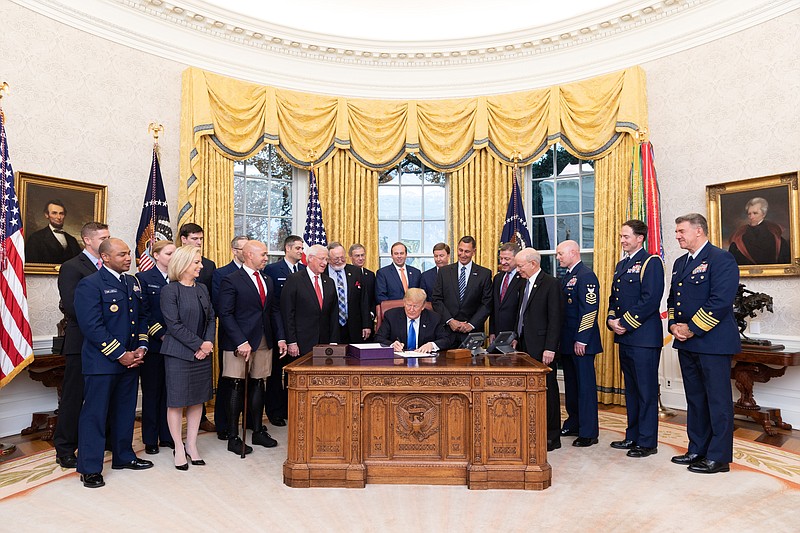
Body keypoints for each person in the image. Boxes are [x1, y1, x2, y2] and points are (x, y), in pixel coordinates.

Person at [74, 238, 152, 488]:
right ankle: (90, 468)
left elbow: (141, 317)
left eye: (129, 253)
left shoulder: (132, 282)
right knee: (95, 416)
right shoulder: (90, 284)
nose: (129, 258)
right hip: (102, 363)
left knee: (125, 412)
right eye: (122, 255)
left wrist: (141, 347)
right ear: (105, 258)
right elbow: (91, 326)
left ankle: (124, 456)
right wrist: (120, 354)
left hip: (130, 361)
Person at [668, 213, 740, 474]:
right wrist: (674, 325)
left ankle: (718, 457)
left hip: (713, 343)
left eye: (681, 231)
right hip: (686, 343)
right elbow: (673, 300)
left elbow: (720, 301)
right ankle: (697, 448)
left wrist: (692, 328)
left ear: (699, 231)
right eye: (677, 231)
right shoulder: (680, 263)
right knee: (695, 399)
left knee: (717, 401)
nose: (677, 235)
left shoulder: (721, 259)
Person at [53, 222, 110, 469]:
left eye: (110, 237)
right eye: (103, 238)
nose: (108, 242)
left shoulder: (109, 266)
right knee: (73, 397)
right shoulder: (72, 267)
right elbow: (73, 306)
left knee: (102, 396)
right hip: (81, 342)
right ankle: (65, 448)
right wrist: (102, 326)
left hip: (108, 342)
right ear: (87, 240)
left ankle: (100, 440)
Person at [607, 220, 665, 458]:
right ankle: (632, 435)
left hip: (643, 338)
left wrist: (625, 322)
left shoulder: (651, 262)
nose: (622, 240)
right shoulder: (622, 265)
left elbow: (651, 299)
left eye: (626, 236)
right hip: (625, 338)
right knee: (630, 390)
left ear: (640, 238)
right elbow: (614, 298)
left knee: (645, 391)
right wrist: (612, 319)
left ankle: (647, 441)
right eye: (621, 236)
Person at [218, 240, 281, 454]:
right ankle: (234, 437)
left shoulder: (268, 280)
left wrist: (280, 338)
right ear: (248, 255)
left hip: (264, 340)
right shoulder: (231, 280)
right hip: (240, 343)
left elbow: (273, 311)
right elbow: (225, 314)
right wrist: (240, 341)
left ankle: (257, 430)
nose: (266, 258)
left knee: (258, 384)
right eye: (262, 254)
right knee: (237, 386)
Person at [160, 245, 217, 469]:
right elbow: (173, 325)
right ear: (183, 264)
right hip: (178, 354)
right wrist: (199, 344)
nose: (201, 266)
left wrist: (208, 344)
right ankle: (178, 447)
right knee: (176, 402)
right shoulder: (170, 290)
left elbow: (212, 317)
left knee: (197, 400)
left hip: (202, 354)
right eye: (196, 262)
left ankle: (192, 445)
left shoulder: (202, 287)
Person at [514, 247, 562, 451]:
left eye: (520, 265)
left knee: (547, 390)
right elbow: (522, 314)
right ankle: (533, 429)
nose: (518, 270)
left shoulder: (551, 284)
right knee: (529, 390)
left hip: (543, 347)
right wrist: (516, 337)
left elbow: (555, 319)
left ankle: (552, 435)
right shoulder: (523, 283)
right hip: (524, 344)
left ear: (533, 264)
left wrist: (550, 348)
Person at [556, 240, 602, 448]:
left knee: (585, 388)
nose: (558, 257)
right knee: (572, 388)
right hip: (568, 342)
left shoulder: (586, 276)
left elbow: (589, 310)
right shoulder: (569, 276)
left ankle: (589, 431)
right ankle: (574, 422)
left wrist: (582, 338)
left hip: (581, 342)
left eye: (560, 254)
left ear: (573, 252)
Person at [135, 240, 176, 455]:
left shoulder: (180, 278)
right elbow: (144, 313)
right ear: (156, 255)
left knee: (170, 393)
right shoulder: (143, 279)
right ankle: (150, 438)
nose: (173, 257)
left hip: (177, 346)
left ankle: (167, 435)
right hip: (155, 345)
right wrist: (161, 334)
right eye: (169, 253)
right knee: (152, 393)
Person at [262, 235, 305, 427]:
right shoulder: (272, 270)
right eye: (297, 248)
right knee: (275, 374)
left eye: (302, 248)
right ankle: (275, 411)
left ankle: (291, 408)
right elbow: (272, 305)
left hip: (299, 330)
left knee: (295, 372)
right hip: (277, 329)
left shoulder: (304, 270)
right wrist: (281, 335)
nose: (300, 251)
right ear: (287, 249)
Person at [178, 222, 217, 433]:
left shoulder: (209, 266)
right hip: (176, 333)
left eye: (201, 239)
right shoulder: (174, 260)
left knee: (200, 383)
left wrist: (206, 340)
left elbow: (211, 302)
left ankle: (200, 418)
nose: (199, 242)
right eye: (194, 239)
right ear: (183, 239)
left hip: (202, 332)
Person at [210, 235, 248, 439]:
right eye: (243, 248)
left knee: (251, 381)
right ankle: (223, 424)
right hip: (231, 335)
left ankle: (249, 421)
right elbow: (220, 306)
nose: (247, 252)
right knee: (228, 381)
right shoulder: (221, 273)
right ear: (234, 251)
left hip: (254, 336)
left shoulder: (259, 273)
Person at [431, 236, 492, 347]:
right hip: (447, 332)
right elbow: (436, 300)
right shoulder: (444, 272)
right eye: (460, 250)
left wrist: (471, 324)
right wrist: (450, 321)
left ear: (474, 252)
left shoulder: (484, 274)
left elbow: (487, 304)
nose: (463, 254)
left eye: (467, 251)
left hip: (472, 333)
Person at [281, 244, 339, 357]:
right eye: (322, 259)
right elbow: (288, 313)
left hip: (324, 343)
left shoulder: (329, 282)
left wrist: (333, 341)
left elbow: (334, 313)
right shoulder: (294, 279)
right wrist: (292, 342)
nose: (325, 263)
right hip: (301, 343)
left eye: (327, 259)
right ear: (310, 258)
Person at [375, 288, 452, 352]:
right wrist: (392, 345)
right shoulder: (391, 316)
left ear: (423, 306)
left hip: (425, 362)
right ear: (404, 303)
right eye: (409, 305)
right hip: (398, 362)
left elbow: (446, 340)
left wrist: (432, 345)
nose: (411, 309)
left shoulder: (434, 318)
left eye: (415, 306)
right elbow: (378, 338)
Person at [324, 242, 372, 343]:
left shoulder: (355, 272)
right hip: (329, 326)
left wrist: (366, 324)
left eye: (342, 257)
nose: (340, 261)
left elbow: (364, 300)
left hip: (353, 326)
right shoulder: (323, 273)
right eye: (336, 259)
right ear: (328, 259)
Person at [728, 197, 791, 265]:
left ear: (763, 214)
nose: (751, 217)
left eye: (755, 213)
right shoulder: (740, 234)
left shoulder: (774, 234)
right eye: (749, 214)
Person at [24, 199, 82, 264]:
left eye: (61, 213)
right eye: (54, 213)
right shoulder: (36, 238)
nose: (59, 217)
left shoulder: (72, 240)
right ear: (47, 215)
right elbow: (31, 265)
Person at [489, 242, 524, 344]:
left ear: (517, 258)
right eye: (501, 258)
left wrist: (516, 336)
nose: (503, 262)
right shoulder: (497, 278)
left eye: (507, 259)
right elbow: (494, 308)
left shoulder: (523, 279)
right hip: (497, 336)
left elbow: (521, 311)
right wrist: (492, 331)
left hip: (515, 338)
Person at [349, 243, 376, 317]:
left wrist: (372, 313)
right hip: (351, 319)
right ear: (351, 257)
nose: (361, 258)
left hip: (368, 317)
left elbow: (374, 297)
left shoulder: (370, 275)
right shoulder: (345, 274)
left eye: (362, 255)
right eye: (357, 256)